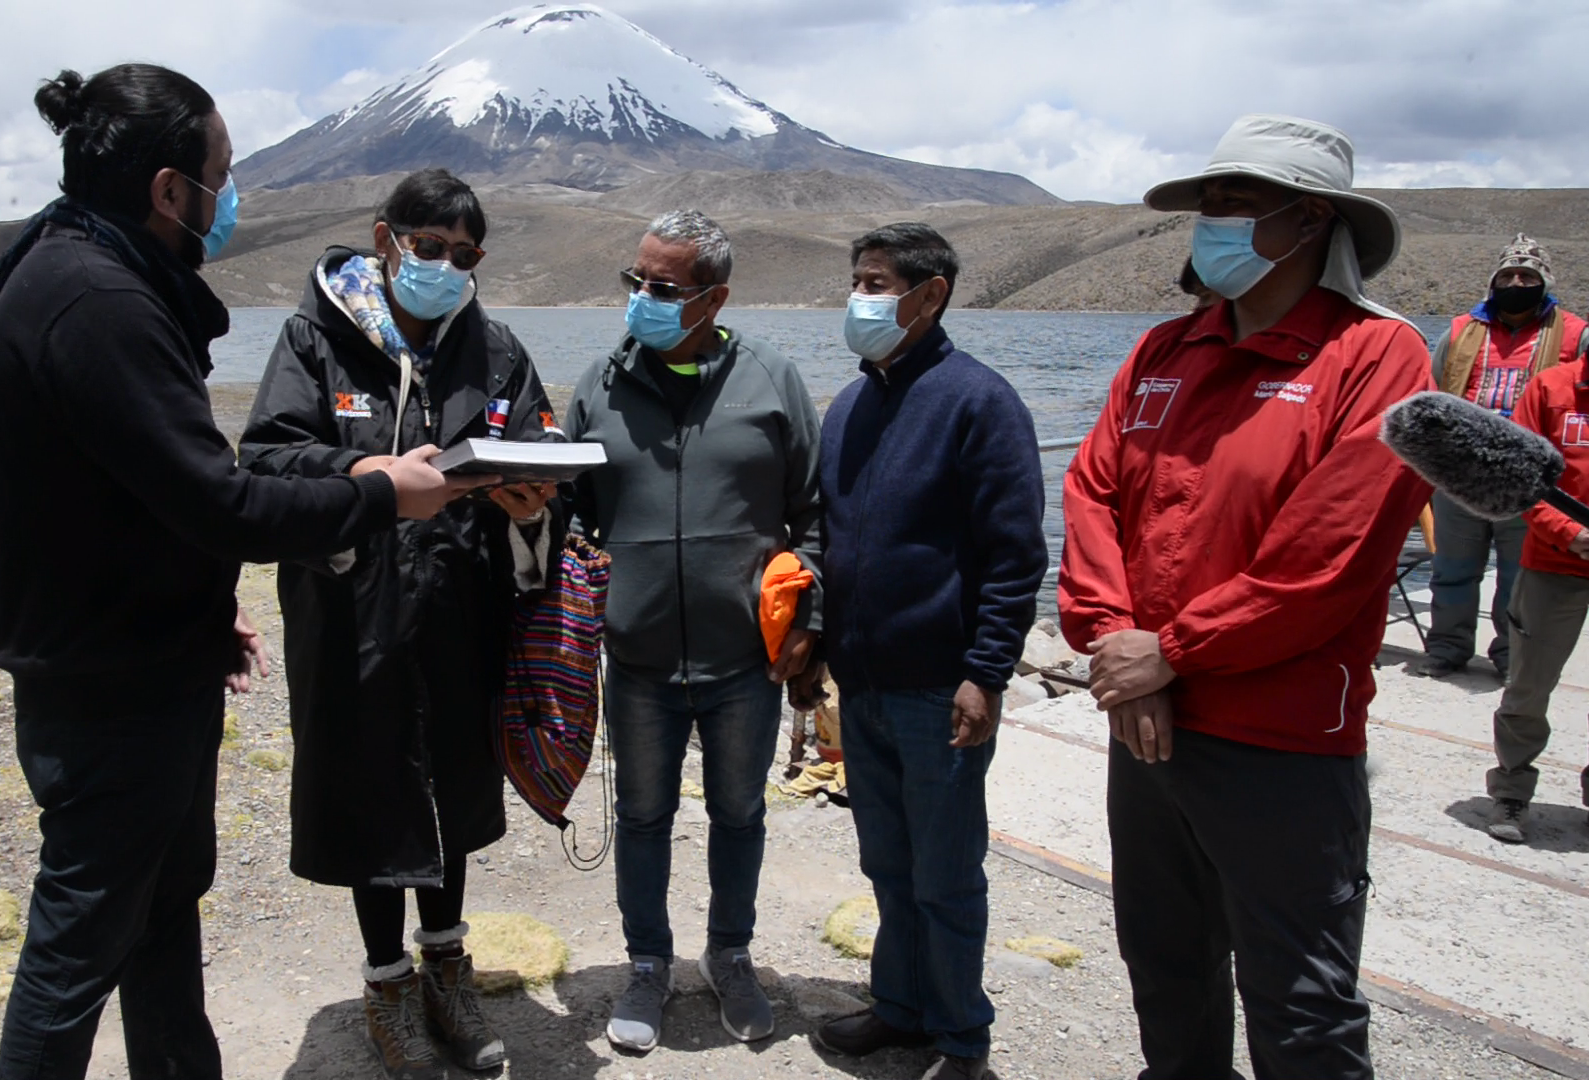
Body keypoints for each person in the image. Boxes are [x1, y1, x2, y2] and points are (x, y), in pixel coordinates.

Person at [0, 64, 473, 1080]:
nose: (233, 196)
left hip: (143, 659)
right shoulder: (95, 301)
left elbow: (135, 495)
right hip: (111, 697)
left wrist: (195, 604)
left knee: (157, 921)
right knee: (77, 951)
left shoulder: (81, 272)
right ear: (166, 189)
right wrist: (380, 494)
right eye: (223, 173)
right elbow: (219, 498)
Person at [1059, 114, 1433, 1080]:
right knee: (1166, 963)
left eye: (1234, 203)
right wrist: (1119, 646)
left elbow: (1330, 554)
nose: (1208, 223)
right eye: (1205, 205)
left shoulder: (1379, 359)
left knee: (1300, 998)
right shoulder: (1162, 351)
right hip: (1143, 724)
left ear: (1309, 221)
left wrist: (1174, 649)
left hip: (1279, 741)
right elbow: (1093, 496)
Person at [237, 168, 560, 1078]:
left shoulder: (493, 349)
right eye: (430, 248)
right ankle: (386, 982)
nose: (448, 267)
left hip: (461, 608)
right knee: (369, 781)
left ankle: (447, 965)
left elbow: (531, 441)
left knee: (453, 781)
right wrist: (371, 476)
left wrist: (534, 501)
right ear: (386, 240)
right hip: (353, 610)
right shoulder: (318, 338)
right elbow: (264, 456)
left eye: (465, 255)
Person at [563, 209, 823, 1051]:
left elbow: (814, 517)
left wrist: (806, 620)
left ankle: (730, 956)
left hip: (744, 662)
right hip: (635, 660)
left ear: (715, 297)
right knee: (641, 817)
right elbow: (568, 519)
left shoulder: (772, 380)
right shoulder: (599, 385)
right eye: (634, 282)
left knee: (739, 815)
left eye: (662, 287)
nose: (641, 298)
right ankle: (647, 964)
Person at [803, 223, 1045, 1080]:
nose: (859, 298)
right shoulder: (852, 405)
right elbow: (833, 539)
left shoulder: (980, 402)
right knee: (888, 863)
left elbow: (1016, 557)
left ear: (929, 293)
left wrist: (986, 673)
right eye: (856, 279)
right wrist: (818, 653)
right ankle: (900, 1008)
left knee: (945, 875)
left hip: (939, 690)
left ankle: (960, 1038)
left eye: (875, 282)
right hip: (862, 683)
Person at [1418, 235, 1589, 679]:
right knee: (1453, 567)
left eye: (1528, 276)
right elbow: (1435, 389)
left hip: (1530, 474)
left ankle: (1511, 656)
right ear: (1494, 282)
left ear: (1544, 282)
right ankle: (1447, 649)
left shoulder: (1574, 332)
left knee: (1517, 574)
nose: (1518, 282)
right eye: (1509, 275)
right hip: (1462, 470)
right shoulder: (1459, 330)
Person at [1486, 349, 1589, 842]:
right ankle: (1511, 793)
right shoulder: (1551, 388)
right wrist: (1568, 532)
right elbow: (1519, 476)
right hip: (1554, 562)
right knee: (1528, 686)